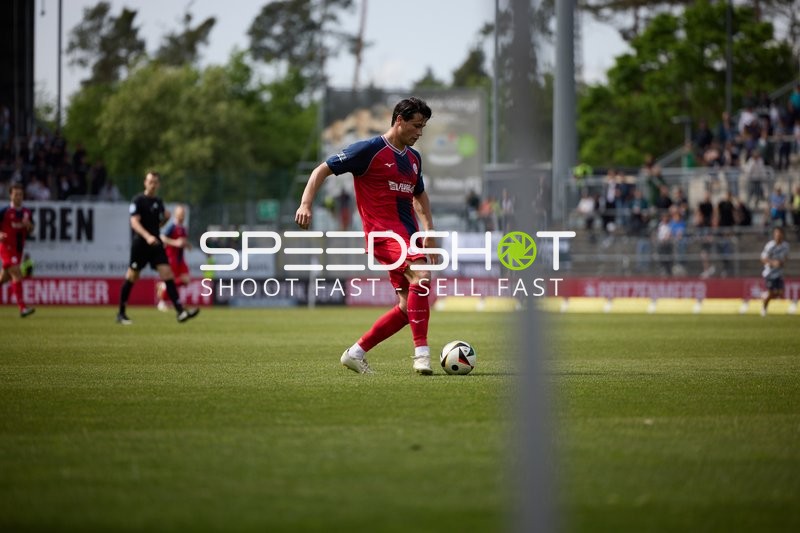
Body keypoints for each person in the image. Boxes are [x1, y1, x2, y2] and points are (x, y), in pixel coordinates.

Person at [295, 97, 434, 375]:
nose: (419, 133)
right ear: (399, 120)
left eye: (423, 128)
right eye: (416, 126)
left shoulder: (414, 159)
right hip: (382, 234)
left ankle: (355, 353)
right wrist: (306, 203)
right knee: (423, 275)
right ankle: (422, 355)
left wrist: (428, 228)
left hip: (408, 236)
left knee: (408, 308)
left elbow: (418, 195)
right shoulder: (368, 150)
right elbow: (321, 170)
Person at [116, 172, 199, 325]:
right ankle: (121, 313)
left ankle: (180, 311)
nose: (152, 185)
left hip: (156, 244)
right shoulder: (138, 200)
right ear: (145, 183)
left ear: (158, 185)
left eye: (155, 182)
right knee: (132, 276)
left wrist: (165, 220)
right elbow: (134, 223)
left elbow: (158, 224)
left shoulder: (158, 202)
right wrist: (147, 236)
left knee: (167, 274)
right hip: (141, 244)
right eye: (150, 181)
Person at [0, 183, 35, 317]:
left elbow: (31, 229)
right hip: (6, 247)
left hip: (18, 249)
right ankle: (22, 308)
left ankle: (22, 307)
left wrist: (29, 225)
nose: (18, 197)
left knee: (4, 278)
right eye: (16, 194)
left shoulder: (27, 212)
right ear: (11, 195)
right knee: (16, 273)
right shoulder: (4, 212)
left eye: (20, 194)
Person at [156, 204, 192, 312]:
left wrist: (187, 245)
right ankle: (162, 302)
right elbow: (162, 237)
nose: (182, 216)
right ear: (176, 215)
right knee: (172, 280)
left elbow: (182, 242)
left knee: (185, 280)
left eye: (183, 214)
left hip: (180, 259)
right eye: (181, 214)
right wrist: (175, 243)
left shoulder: (183, 228)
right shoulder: (171, 226)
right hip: (171, 257)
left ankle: (163, 286)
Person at [760, 226, 789, 317]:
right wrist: (773, 263)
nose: (778, 235)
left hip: (779, 273)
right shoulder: (770, 246)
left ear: (782, 235)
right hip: (770, 273)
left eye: (779, 233)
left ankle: (765, 296)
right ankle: (764, 309)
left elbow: (785, 257)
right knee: (771, 292)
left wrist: (782, 262)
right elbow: (763, 258)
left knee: (780, 292)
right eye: (776, 233)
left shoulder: (786, 246)